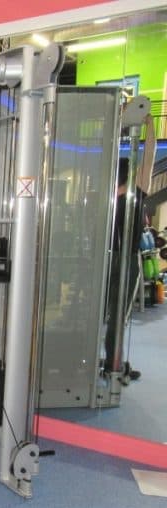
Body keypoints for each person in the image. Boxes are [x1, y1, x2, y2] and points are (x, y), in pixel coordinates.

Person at [104, 112, 155, 378]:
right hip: (124, 261)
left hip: (106, 260)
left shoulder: (107, 200)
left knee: (106, 314)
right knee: (118, 317)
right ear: (130, 175)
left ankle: (107, 361)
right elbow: (148, 158)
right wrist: (150, 125)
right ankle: (113, 365)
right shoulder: (134, 195)